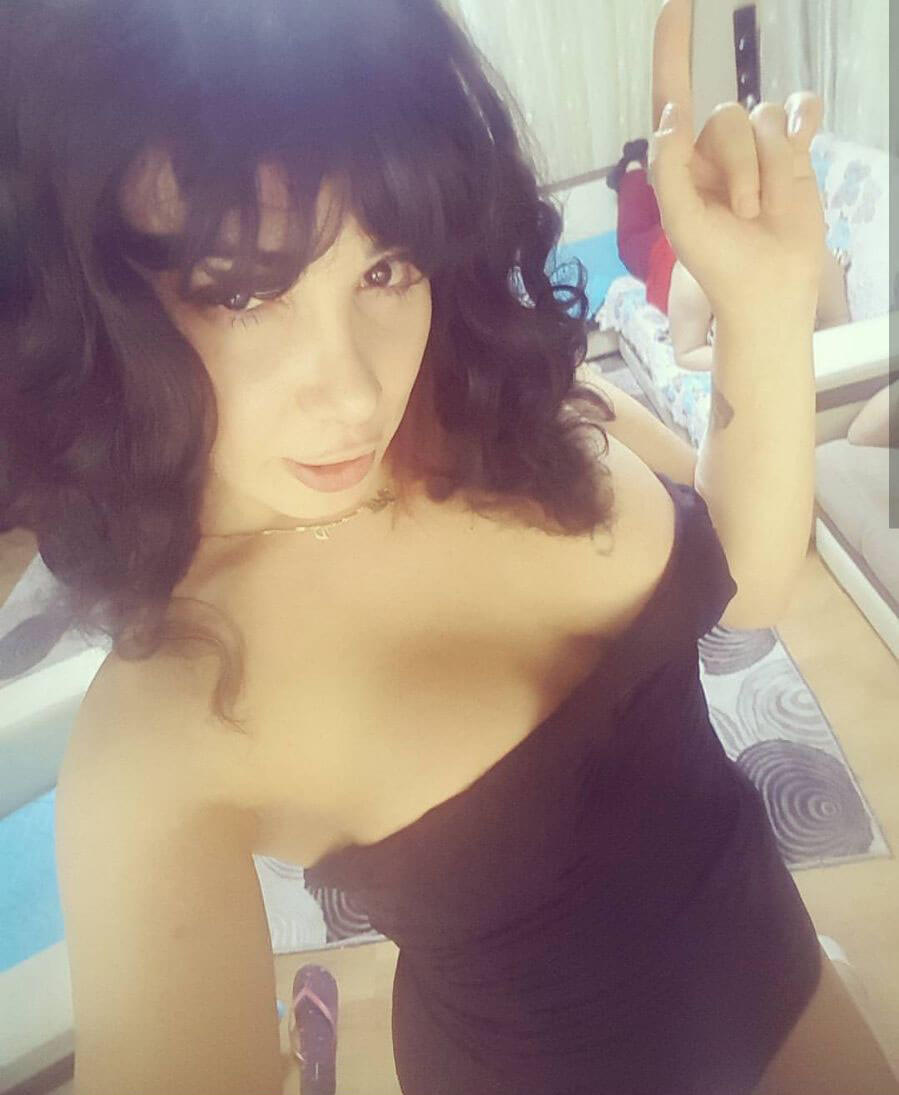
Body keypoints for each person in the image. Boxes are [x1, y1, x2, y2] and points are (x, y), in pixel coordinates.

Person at [3, 1, 896, 1093]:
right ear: (99, 310)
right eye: (242, 295)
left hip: (785, 973)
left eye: (384, 268)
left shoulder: (503, 400)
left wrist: (763, 304)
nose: (354, 393)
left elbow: (743, 586)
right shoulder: (163, 730)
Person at [608, 141, 853, 370]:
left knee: (665, 213)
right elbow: (686, 353)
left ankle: (654, 180)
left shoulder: (813, 261)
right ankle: (632, 169)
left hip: (695, 234)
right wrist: (751, 359)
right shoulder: (695, 276)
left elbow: (837, 322)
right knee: (634, 238)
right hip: (664, 257)